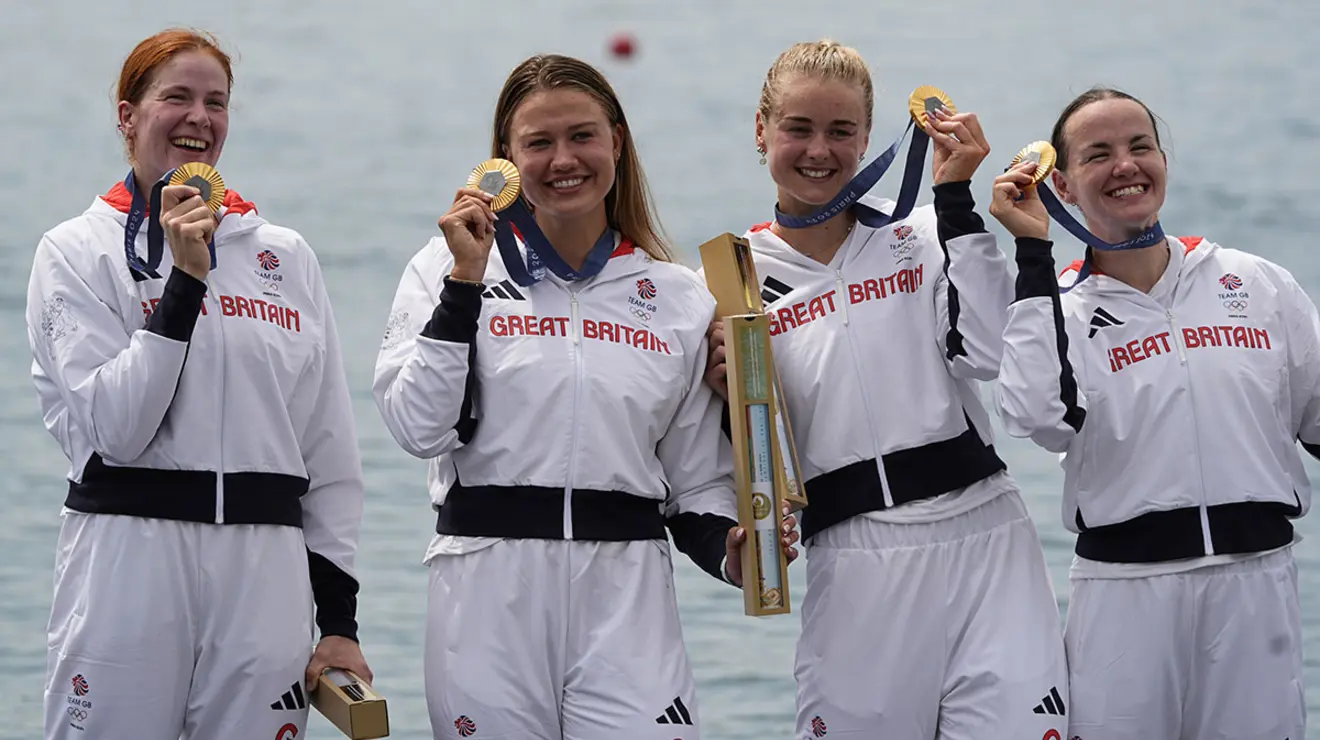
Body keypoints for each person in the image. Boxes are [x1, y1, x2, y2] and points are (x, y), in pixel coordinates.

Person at [372, 53, 798, 740]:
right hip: (488, 591)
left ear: (617, 143)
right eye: (538, 142)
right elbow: (419, 426)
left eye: (582, 136)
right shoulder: (445, 267)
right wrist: (463, 284)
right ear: (505, 159)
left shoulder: (677, 295)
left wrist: (733, 547)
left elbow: (693, 479)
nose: (562, 159)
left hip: (627, 598)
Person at [703, 39, 1069, 740]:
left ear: (868, 136)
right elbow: (734, 463)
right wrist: (731, 405)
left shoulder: (927, 231)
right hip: (855, 557)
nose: (820, 150)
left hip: (987, 539)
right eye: (798, 128)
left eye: (842, 131)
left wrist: (957, 200)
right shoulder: (729, 284)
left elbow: (991, 355)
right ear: (761, 129)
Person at [26, 28, 372, 740]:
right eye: (176, 98)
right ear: (128, 116)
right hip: (129, 559)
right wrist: (186, 281)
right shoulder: (75, 251)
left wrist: (338, 619)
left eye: (216, 102)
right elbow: (118, 428)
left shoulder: (285, 256)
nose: (200, 118)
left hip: (263, 576)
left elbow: (328, 454)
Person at [991, 86, 1312, 739]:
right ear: (1064, 185)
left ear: (1164, 160)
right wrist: (1031, 253)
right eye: (1099, 153)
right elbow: (1033, 413)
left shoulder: (1256, 283)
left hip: (1256, 588)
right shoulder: (1057, 307)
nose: (1126, 165)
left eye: (1141, 146)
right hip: (1126, 595)